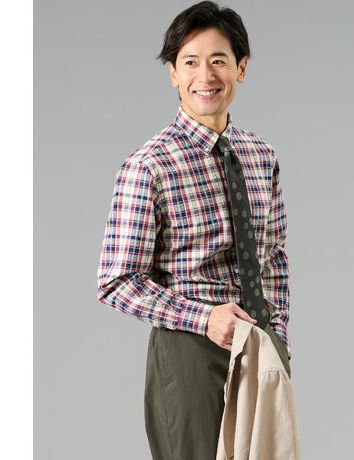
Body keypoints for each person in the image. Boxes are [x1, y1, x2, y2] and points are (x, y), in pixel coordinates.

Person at [96, 1, 292, 458]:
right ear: (173, 74)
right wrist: (205, 319)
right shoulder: (149, 165)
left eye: (219, 60)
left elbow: (274, 256)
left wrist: (278, 338)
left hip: (260, 347)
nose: (205, 75)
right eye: (190, 62)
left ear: (241, 68)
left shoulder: (261, 155)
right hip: (190, 351)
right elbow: (116, 282)